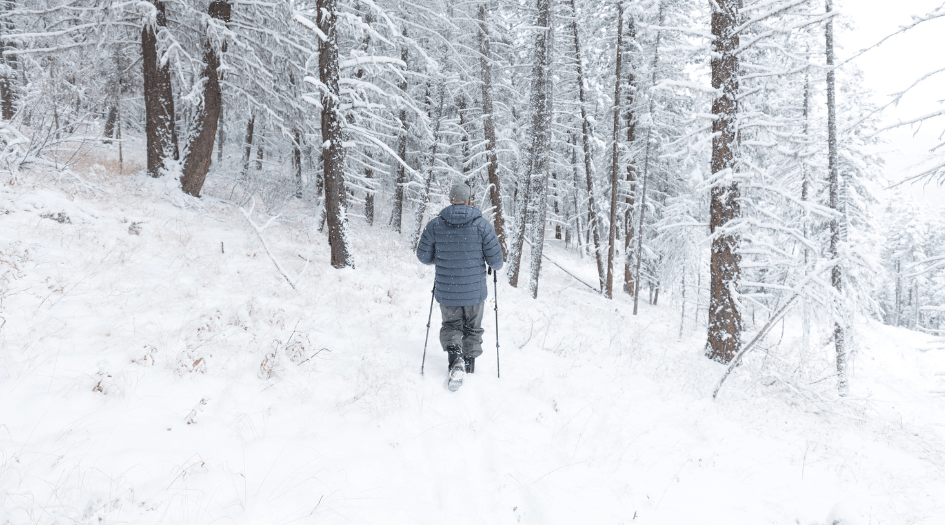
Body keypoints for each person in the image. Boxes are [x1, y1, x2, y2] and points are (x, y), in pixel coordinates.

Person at [416, 182, 504, 390]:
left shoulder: (435, 225)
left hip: (447, 290)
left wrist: (439, 259)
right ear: (469, 200)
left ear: (451, 200)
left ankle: (455, 359)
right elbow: (497, 261)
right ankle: (469, 364)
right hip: (474, 292)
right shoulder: (482, 226)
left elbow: (422, 256)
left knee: (452, 325)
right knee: (472, 327)